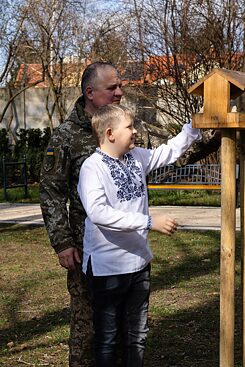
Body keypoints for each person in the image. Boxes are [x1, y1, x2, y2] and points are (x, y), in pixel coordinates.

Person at [39, 61, 220, 367]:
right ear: (90, 93)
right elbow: (52, 191)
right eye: (112, 88)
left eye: (120, 86)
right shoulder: (67, 137)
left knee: (129, 333)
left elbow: (163, 155)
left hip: (133, 256)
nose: (120, 92)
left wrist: (196, 128)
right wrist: (62, 241)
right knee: (90, 331)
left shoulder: (129, 139)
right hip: (90, 251)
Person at [77, 104, 202, 367]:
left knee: (137, 336)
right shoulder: (92, 167)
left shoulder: (137, 158)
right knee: (108, 339)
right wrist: (147, 221)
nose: (135, 132)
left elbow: (167, 153)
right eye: (130, 127)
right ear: (110, 133)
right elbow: (99, 213)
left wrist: (194, 126)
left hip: (139, 265)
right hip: (107, 270)